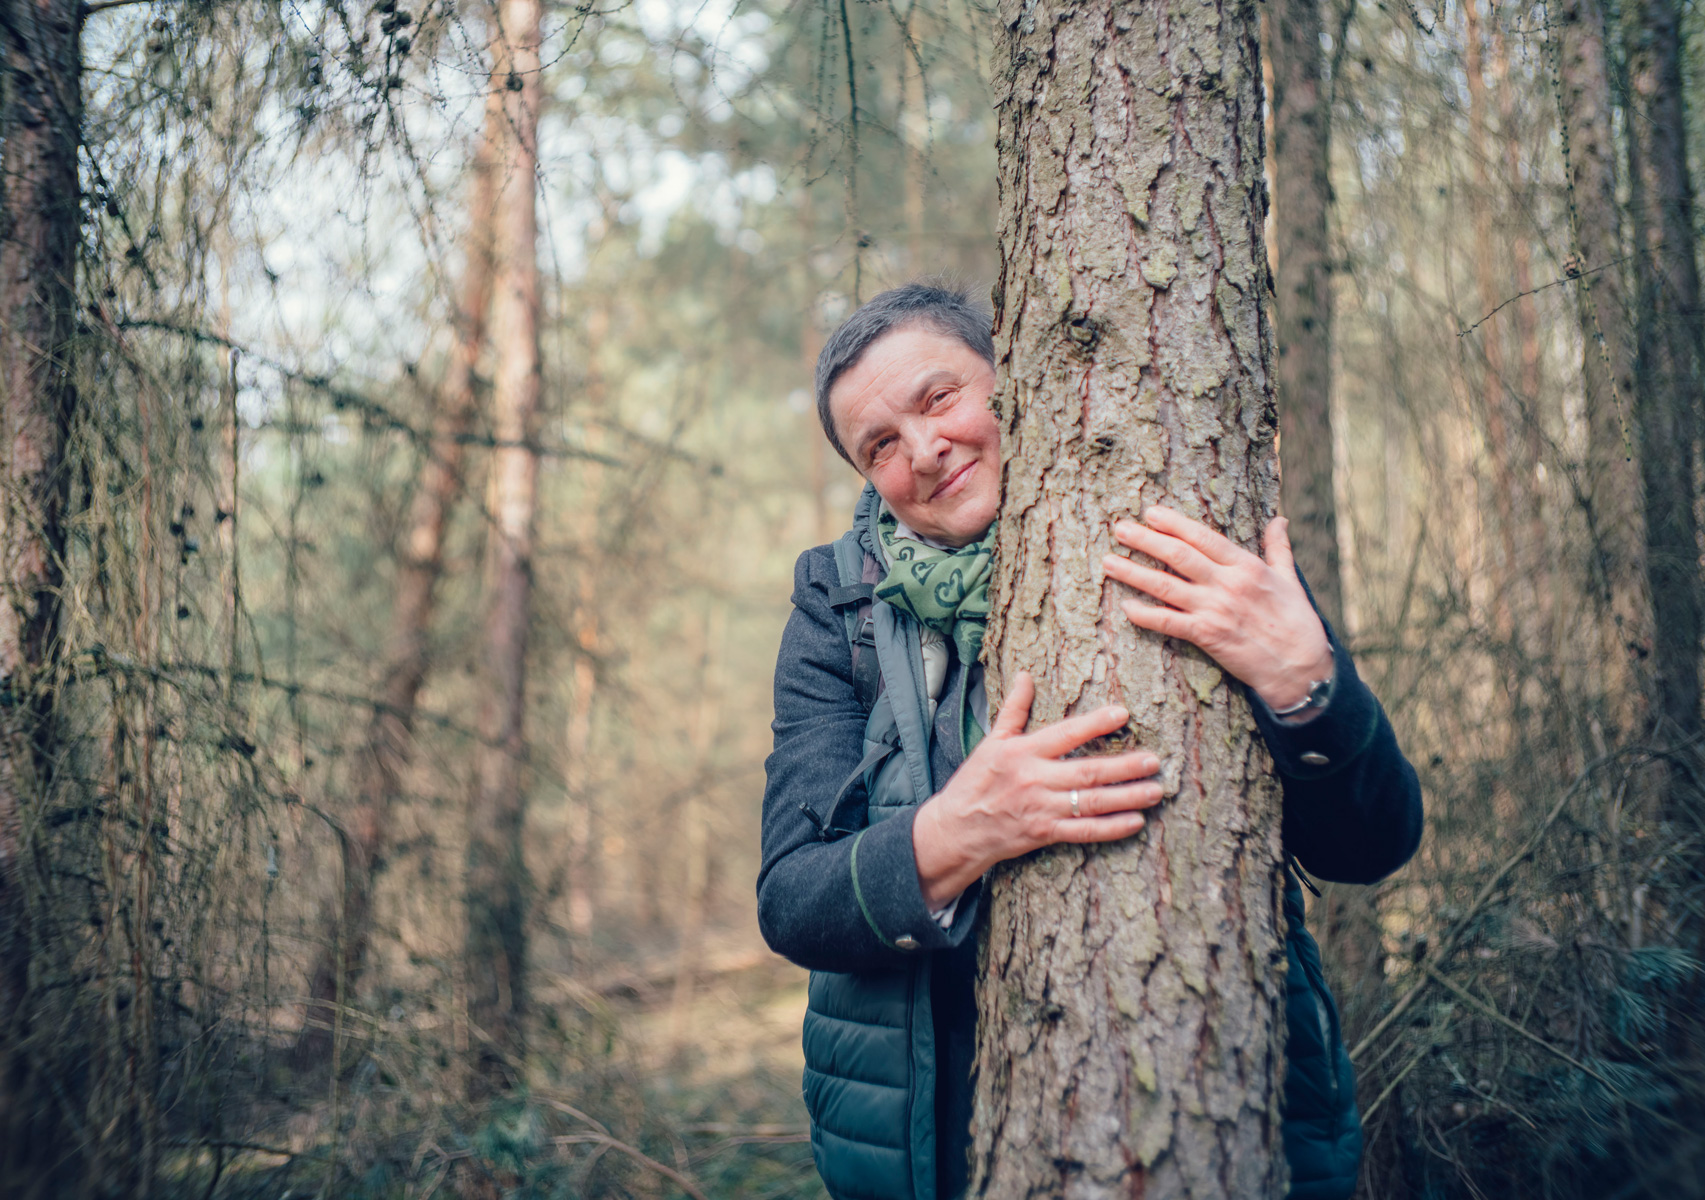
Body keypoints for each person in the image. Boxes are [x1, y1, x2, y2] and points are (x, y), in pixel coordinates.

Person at [757, 282, 1422, 1200]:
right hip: (924, 1144)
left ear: (1009, 377)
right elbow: (790, 898)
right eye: (879, 445)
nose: (923, 450)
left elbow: (1372, 845)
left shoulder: (1178, 515)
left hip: (1232, 1112)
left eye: (938, 397)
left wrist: (1305, 685)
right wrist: (957, 833)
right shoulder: (837, 605)